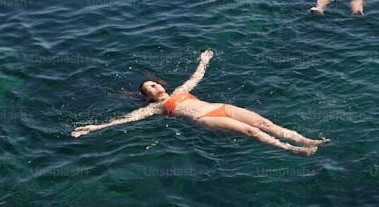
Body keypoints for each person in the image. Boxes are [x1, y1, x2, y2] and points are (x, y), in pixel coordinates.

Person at [71, 50, 330, 154]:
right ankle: (294, 150)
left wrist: (203, 61)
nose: (155, 85)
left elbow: (195, 78)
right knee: (252, 131)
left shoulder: (181, 90)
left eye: (155, 82)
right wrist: (93, 127)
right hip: (204, 118)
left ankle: (306, 140)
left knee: (264, 122)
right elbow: (124, 120)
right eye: (150, 87)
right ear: (147, 97)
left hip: (219, 106)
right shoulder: (155, 108)